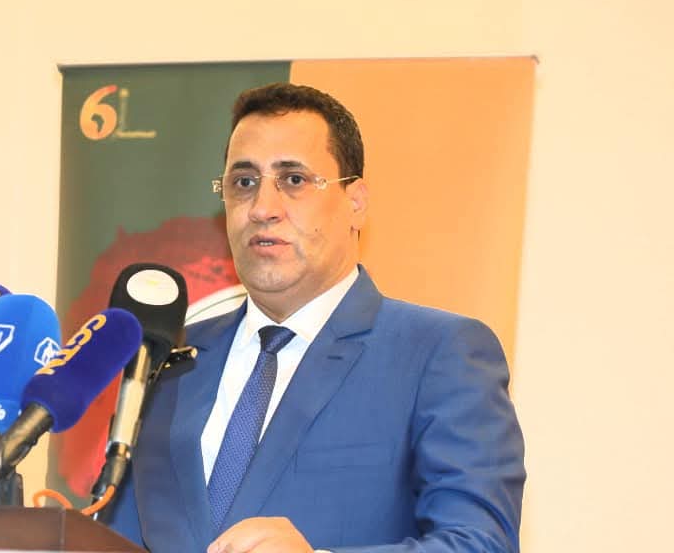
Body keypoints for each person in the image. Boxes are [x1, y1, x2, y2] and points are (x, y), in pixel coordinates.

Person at [108, 83, 525, 552]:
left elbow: (481, 544)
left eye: (293, 180)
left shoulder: (438, 354)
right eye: (243, 183)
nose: (262, 209)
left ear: (356, 202)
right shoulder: (166, 359)